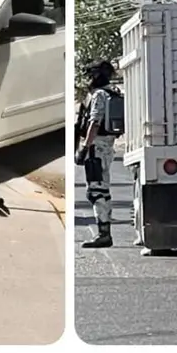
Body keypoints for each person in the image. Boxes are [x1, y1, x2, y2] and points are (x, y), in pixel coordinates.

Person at [75, 60, 121, 249]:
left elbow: (94, 122)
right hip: (107, 146)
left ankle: (104, 234)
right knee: (102, 189)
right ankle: (104, 231)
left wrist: (85, 147)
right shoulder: (113, 92)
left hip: (96, 147)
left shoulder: (99, 95)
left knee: (96, 191)